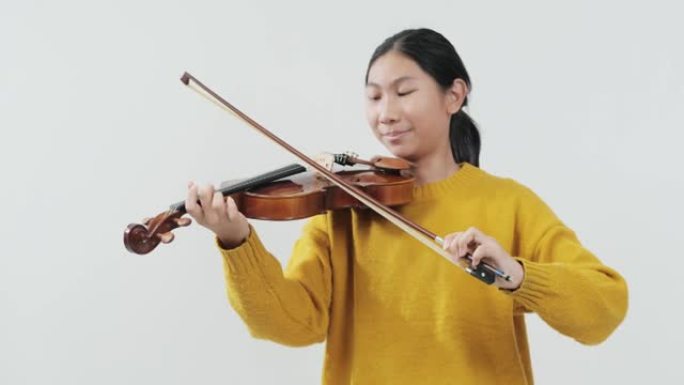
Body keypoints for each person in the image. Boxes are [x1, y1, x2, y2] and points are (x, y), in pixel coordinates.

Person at [184, 28, 628, 385]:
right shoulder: (344, 208)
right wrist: (235, 239)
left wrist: (515, 274)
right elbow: (290, 324)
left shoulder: (508, 202)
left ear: (454, 95)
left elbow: (603, 311)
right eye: (375, 97)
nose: (386, 113)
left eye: (404, 92)